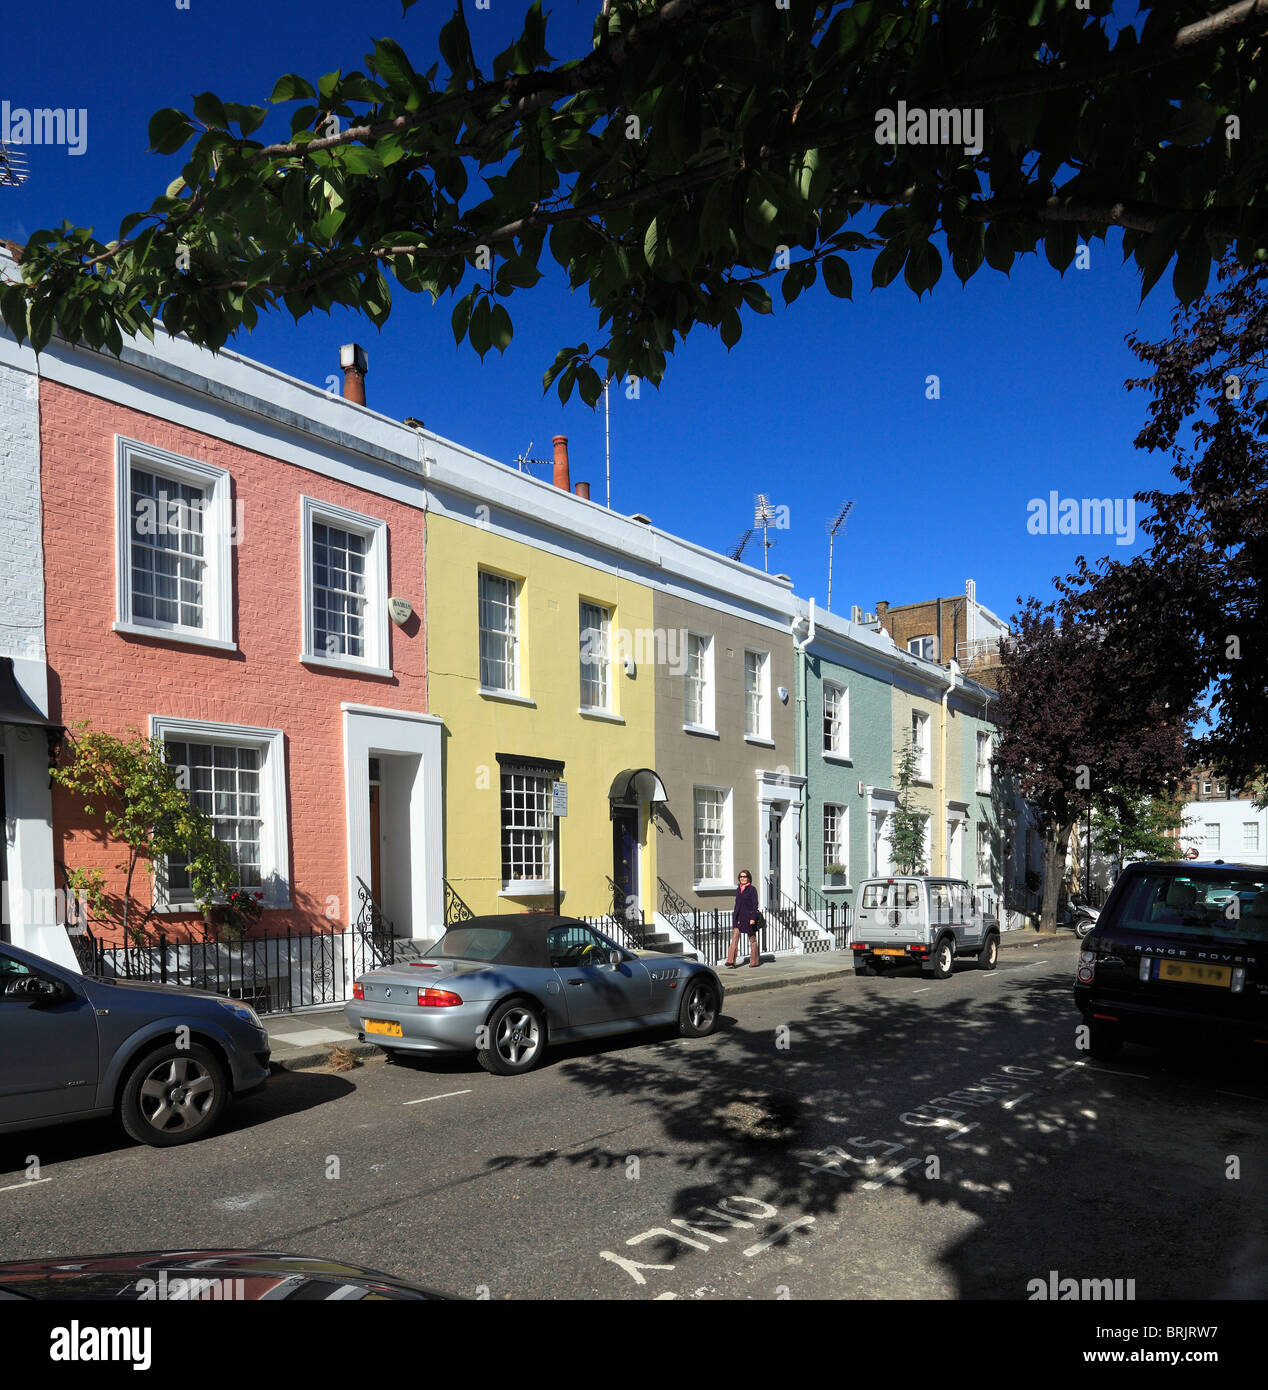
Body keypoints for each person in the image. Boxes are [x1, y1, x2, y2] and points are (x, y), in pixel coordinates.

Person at [725, 869, 761, 968]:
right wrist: (735, 915)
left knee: (752, 939)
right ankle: (731, 961)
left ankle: (754, 962)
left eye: (744, 876)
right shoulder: (738, 888)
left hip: (749, 917)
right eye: (741, 876)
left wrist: (753, 917)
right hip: (738, 917)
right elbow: (737, 903)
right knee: (735, 938)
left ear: (748, 878)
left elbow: (755, 904)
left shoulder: (752, 889)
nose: (742, 878)